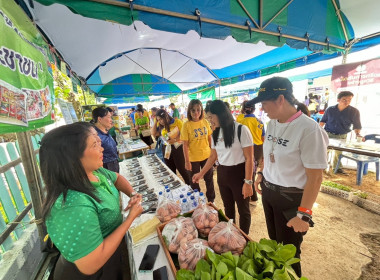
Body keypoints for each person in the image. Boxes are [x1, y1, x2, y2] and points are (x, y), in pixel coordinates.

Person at [40, 122, 143, 280]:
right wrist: (130, 219)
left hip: (109, 259)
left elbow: (116, 178)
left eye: (99, 142)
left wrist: (132, 193)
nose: (101, 148)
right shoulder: (72, 205)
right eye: (95, 144)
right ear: (73, 156)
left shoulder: (94, 171)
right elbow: (91, 264)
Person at [250, 76, 328, 277]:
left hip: (291, 200)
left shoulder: (309, 129)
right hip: (269, 193)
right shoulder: (273, 123)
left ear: (280, 99)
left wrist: (304, 214)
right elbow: (269, 154)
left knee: (289, 254)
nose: (262, 108)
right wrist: (261, 174)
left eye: (265, 103)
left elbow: (315, 178)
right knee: (275, 247)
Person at [193, 100, 254, 235]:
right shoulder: (215, 133)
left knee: (243, 210)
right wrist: (201, 173)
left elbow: (250, 158)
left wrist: (248, 182)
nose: (210, 121)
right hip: (223, 174)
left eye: (211, 117)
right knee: (228, 208)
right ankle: (231, 235)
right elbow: (213, 156)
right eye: (208, 118)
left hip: (239, 174)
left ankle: (244, 238)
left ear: (221, 114)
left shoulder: (241, 130)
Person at [319, 91, 362, 174]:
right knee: (324, 151)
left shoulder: (354, 111)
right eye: (344, 99)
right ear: (338, 100)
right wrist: (317, 130)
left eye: (349, 100)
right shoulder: (330, 110)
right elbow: (323, 121)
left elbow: (357, 125)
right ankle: (321, 167)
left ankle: (337, 168)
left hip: (341, 136)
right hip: (327, 134)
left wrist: (357, 134)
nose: (347, 102)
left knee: (338, 153)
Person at [181, 99, 215, 203]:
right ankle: (198, 200)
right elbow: (185, 145)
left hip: (206, 156)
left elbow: (209, 138)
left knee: (209, 179)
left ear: (202, 111)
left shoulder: (205, 122)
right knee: (194, 181)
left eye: (198, 110)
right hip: (193, 159)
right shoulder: (186, 125)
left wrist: (213, 154)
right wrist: (187, 161)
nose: (196, 113)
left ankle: (211, 200)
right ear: (189, 111)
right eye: (193, 110)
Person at [152, 109, 190, 185]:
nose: (161, 121)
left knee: (183, 170)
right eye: (159, 120)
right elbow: (153, 133)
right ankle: (175, 187)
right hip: (167, 150)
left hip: (178, 149)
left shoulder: (177, 122)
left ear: (166, 116)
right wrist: (156, 121)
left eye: (161, 119)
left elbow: (185, 135)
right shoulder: (162, 126)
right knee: (171, 171)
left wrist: (175, 139)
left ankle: (190, 187)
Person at [238, 101, 265, 206]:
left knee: (249, 172)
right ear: (254, 109)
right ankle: (252, 196)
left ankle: (252, 197)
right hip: (259, 148)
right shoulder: (260, 122)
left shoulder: (241, 121)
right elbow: (263, 139)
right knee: (253, 171)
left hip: (247, 148)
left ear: (244, 109)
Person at [92, 107, 119, 173]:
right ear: (100, 119)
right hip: (106, 168)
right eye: (109, 117)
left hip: (113, 164)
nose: (111, 120)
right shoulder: (95, 135)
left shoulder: (105, 131)